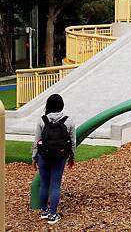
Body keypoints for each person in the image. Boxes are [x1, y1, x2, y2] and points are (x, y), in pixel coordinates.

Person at [32, 94, 76, 225]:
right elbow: (73, 141)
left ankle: (44, 212)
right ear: (61, 105)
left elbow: (36, 140)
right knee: (55, 185)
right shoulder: (69, 121)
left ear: (48, 105)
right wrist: (72, 156)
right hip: (60, 157)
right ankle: (53, 215)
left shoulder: (42, 120)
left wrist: (34, 157)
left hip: (43, 156)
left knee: (44, 184)